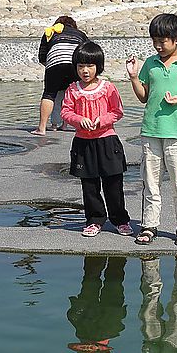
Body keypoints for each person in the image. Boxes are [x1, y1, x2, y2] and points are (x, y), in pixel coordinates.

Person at [126, 14, 177, 247]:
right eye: (155, 40)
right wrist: (133, 77)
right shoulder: (150, 64)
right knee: (150, 183)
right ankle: (149, 225)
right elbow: (143, 97)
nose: (158, 46)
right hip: (151, 131)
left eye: (163, 41)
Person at [61, 41, 133, 238]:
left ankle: (120, 219)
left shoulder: (108, 88)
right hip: (83, 143)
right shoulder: (72, 89)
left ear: (98, 67)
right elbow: (66, 112)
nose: (85, 71)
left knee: (113, 184)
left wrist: (101, 120)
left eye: (90, 66)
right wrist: (79, 120)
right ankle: (94, 220)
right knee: (89, 186)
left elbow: (117, 111)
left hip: (107, 141)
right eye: (81, 66)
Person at [31, 15, 88, 136]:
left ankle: (42, 128)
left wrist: (53, 67)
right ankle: (73, 125)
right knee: (77, 93)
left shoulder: (49, 32)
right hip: (75, 63)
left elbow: (42, 57)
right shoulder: (80, 34)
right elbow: (87, 52)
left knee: (49, 94)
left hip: (54, 62)